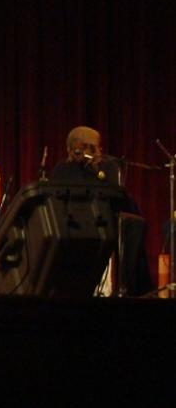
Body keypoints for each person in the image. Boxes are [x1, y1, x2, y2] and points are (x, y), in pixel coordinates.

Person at [51, 125, 151, 295]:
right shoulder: (63, 169)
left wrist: (95, 170)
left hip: (104, 223)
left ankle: (127, 287)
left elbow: (118, 199)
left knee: (135, 225)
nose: (99, 150)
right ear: (80, 148)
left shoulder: (107, 167)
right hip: (72, 227)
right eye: (95, 146)